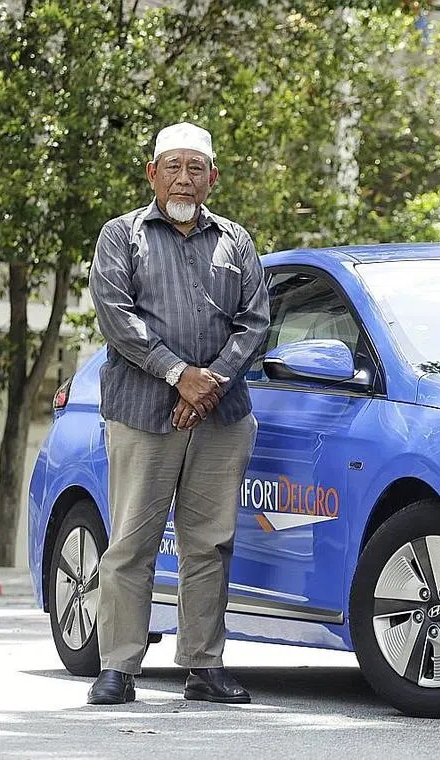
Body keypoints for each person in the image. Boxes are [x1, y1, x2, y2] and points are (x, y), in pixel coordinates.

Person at [85, 122, 270, 705]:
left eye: (196, 168)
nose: (184, 179)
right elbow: (117, 317)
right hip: (143, 414)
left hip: (221, 415)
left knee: (210, 544)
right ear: (152, 174)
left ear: (213, 177)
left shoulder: (236, 241)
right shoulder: (122, 236)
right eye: (173, 167)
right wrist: (178, 375)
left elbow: (256, 322)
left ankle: (203, 665)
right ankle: (117, 667)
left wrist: (210, 383)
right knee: (131, 544)